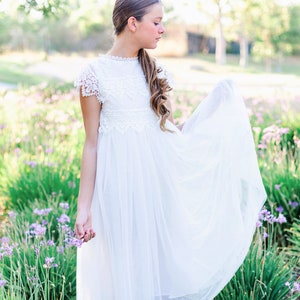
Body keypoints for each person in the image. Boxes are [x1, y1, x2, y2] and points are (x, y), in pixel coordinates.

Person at [74, 0, 266, 299]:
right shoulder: (94, 74)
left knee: (156, 261)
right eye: (157, 21)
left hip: (156, 185)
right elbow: (91, 145)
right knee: (120, 264)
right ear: (132, 23)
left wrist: (216, 110)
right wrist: (84, 206)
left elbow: (170, 135)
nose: (163, 29)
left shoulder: (157, 72)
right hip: (116, 188)